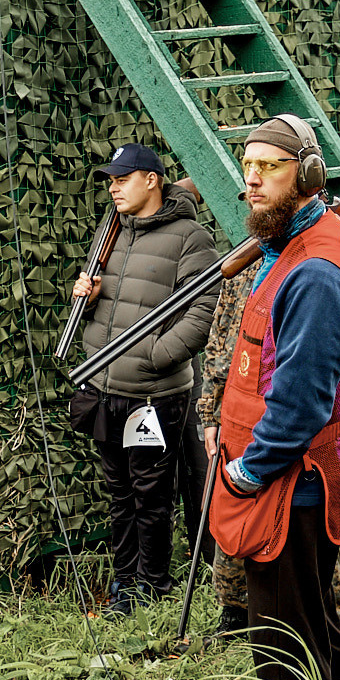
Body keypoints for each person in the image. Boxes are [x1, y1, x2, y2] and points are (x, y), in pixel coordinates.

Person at [205, 115, 340, 680]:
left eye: (270, 167)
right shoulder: (298, 244)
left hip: (291, 479)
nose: (252, 178)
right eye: (248, 165)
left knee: (284, 634)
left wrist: (249, 472)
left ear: (308, 176)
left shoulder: (314, 268)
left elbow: (303, 397)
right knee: (312, 619)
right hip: (298, 474)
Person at [69, 143, 221, 614]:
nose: (113, 188)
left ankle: (153, 586)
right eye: (110, 180)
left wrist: (159, 355)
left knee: (151, 496)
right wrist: (85, 297)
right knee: (118, 494)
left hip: (154, 396)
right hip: (103, 388)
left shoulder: (190, 237)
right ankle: (124, 583)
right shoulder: (111, 232)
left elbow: (204, 308)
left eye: (122, 178)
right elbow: (108, 302)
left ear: (152, 180)